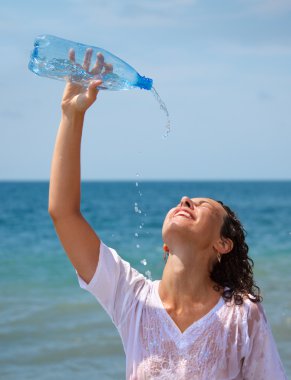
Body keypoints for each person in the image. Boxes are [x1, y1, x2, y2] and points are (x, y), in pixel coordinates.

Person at [48, 50, 287, 380]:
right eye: (186, 200)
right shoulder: (132, 299)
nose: (186, 199)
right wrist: (71, 117)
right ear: (165, 247)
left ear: (222, 244)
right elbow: (63, 213)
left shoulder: (241, 314)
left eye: (202, 205)